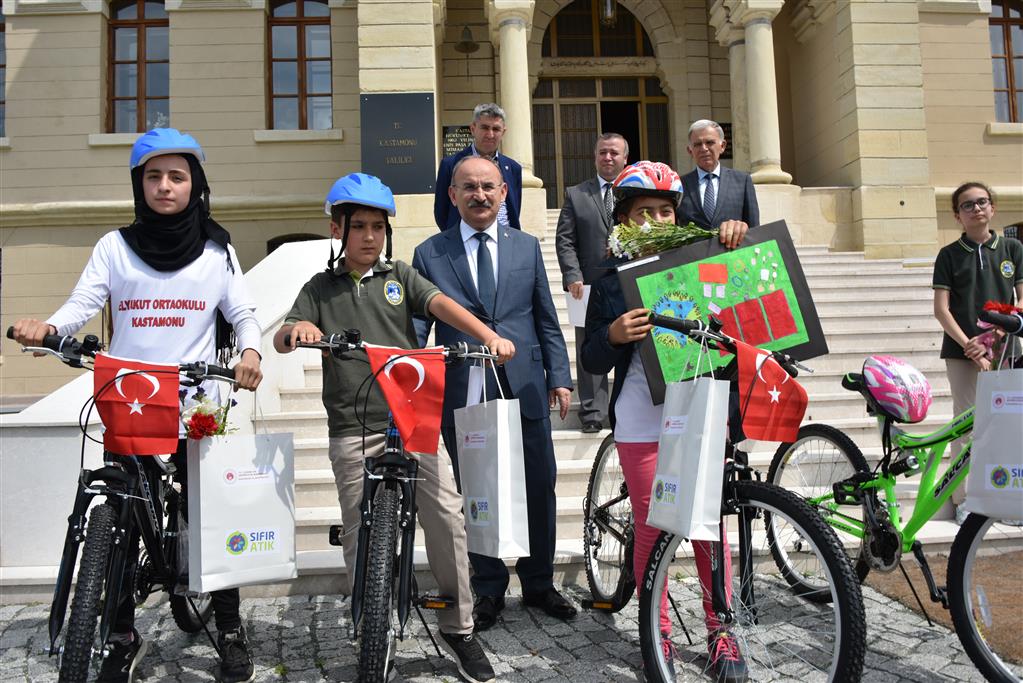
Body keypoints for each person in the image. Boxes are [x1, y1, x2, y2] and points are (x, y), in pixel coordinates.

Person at [11, 128, 264, 683]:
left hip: (198, 401)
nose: (165, 186)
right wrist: (49, 328)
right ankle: (122, 635)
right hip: (129, 399)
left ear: (194, 183)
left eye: (177, 176)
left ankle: (228, 628)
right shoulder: (114, 247)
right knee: (119, 515)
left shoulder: (218, 248)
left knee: (211, 515)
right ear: (138, 184)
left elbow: (243, 311)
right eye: (153, 176)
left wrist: (248, 349)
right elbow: (82, 303)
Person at [273, 173, 515, 683]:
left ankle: (460, 627)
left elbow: (440, 304)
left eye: (376, 227)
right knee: (359, 529)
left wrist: (487, 334)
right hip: (352, 424)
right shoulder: (320, 287)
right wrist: (299, 329)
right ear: (337, 229)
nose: (367, 236)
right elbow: (283, 336)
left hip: (412, 418)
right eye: (357, 226)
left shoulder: (400, 276)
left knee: (448, 516)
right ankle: (372, 621)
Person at [581, 160, 749, 683]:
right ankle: (657, 632)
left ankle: (721, 630)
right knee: (653, 527)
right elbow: (590, 359)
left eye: (665, 210)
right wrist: (611, 334)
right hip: (639, 418)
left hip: (699, 409)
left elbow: (745, 306)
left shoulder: (706, 261)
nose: (656, 219)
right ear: (625, 221)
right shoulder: (609, 280)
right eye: (643, 213)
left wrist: (736, 238)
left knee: (705, 526)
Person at [412, 156, 575, 631]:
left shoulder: (526, 246)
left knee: (539, 485)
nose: (479, 195)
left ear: (504, 193)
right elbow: (419, 328)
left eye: (488, 186)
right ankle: (486, 588)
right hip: (464, 390)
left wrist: (560, 376)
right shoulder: (430, 254)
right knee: (475, 491)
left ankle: (540, 582)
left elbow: (544, 316)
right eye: (469, 187)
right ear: (452, 195)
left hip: (524, 384)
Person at [932, 182, 1023, 524]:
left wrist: (997, 332)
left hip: (1007, 351)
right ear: (957, 215)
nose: (976, 209)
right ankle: (965, 499)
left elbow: (1020, 300)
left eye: (982, 202)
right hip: (961, 352)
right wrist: (970, 344)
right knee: (966, 425)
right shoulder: (949, 255)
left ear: (993, 208)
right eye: (967, 205)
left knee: (1007, 424)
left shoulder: (1012, 248)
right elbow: (941, 309)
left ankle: (1006, 497)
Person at [554, 132, 628, 433]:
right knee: (590, 347)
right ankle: (593, 413)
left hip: (628, 284)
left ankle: (623, 408)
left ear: (625, 158)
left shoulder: (636, 192)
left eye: (614, 153)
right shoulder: (576, 194)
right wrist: (573, 275)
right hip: (589, 287)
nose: (608, 158)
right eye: (602, 153)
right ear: (595, 156)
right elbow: (565, 239)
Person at [434, 103, 522, 231]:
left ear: (503, 132)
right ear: (473, 128)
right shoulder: (450, 165)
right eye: (485, 128)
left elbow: (514, 209)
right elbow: (441, 213)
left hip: (505, 242)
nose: (490, 134)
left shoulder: (513, 168)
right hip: (463, 243)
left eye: (496, 129)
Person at [679, 119, 759, 245]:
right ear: (690, 151)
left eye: (709, 142)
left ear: (722, 146)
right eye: (697, 144)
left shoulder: (742, 181)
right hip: (693, 261)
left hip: (733, 258)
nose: (704, 148)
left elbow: (754, 229)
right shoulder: (679, 185)